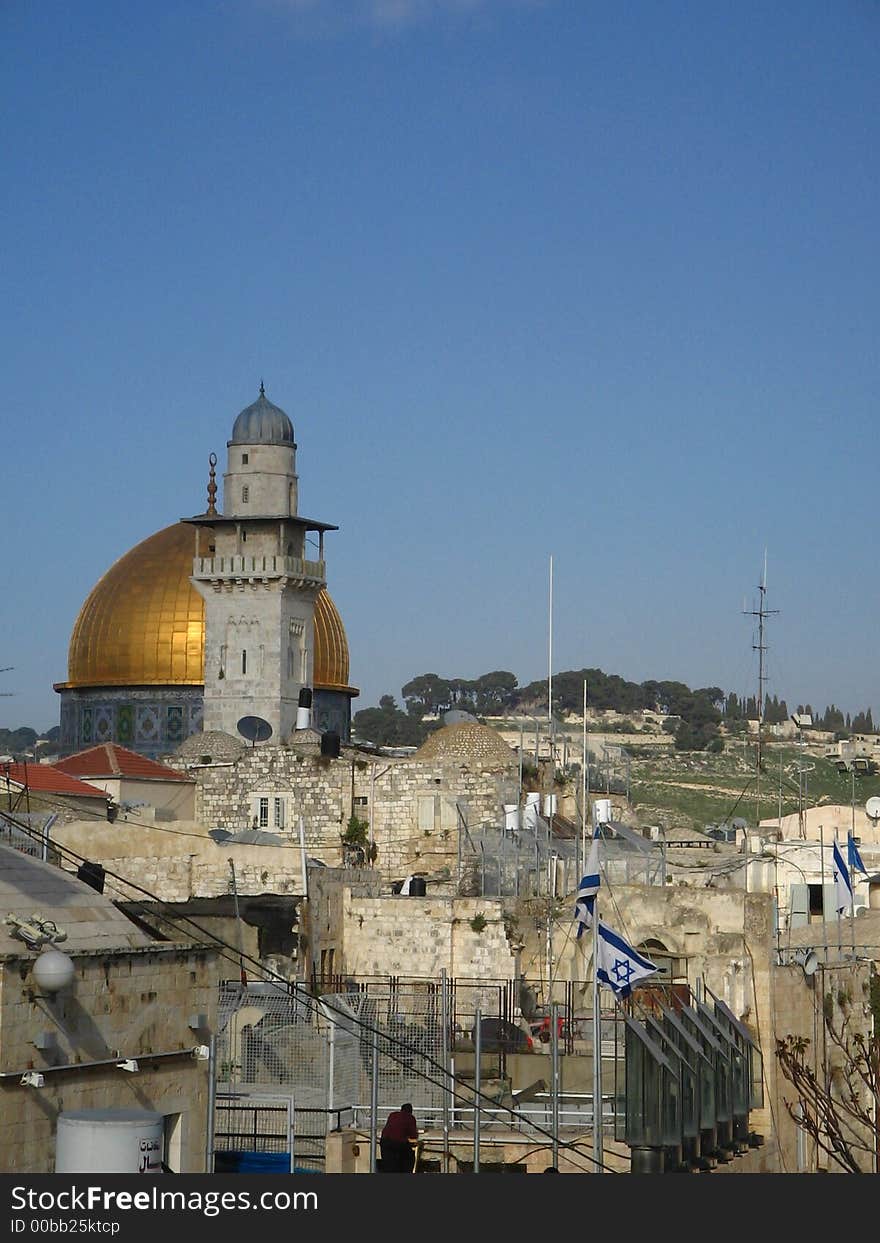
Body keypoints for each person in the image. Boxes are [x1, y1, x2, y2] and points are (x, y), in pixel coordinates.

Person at [380, 1102, 418, 1173]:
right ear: (411, 1111)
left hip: (385, 1142)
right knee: (408, 1160)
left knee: (388, 1166)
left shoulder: (392, 1115)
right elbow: (413, 1136)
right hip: (398, 1143)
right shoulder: (410, 1117)